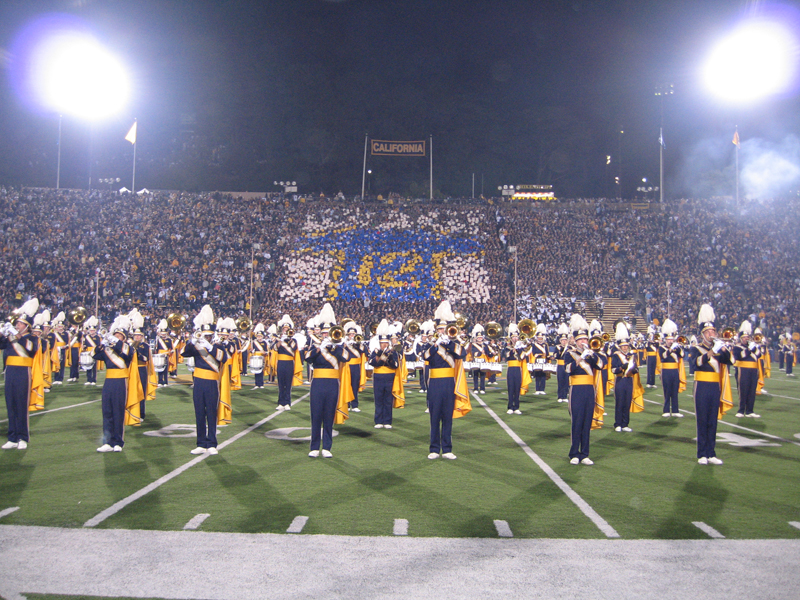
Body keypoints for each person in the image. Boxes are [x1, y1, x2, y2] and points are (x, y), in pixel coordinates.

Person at [421, 300, 469, 459]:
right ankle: (434, 449)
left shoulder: (453, 344)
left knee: (447, 416)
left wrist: (448, 344)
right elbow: (425, 357)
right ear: (436, 330)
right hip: (434, 383)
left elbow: (462, 354)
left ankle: (447, 449)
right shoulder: (432, 345)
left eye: (444, 329)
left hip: (449, 383)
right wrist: (436, 344)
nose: (442, 332)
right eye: (440, 329)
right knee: (434, 417)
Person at [182, 305, 229, 455]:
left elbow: (223, 358)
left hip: (211, 383)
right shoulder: (196, 346)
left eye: (209, 335)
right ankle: (201, 443)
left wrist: (210, 346)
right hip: (198, 382)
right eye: (205, 335)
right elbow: (185, 353)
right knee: (199, 413)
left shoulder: (217, 346)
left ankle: (212, 443)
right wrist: (192, 340)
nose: (206, 337)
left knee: (211, 413)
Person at [690, 304, 733, 465]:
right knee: (702, 419)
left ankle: (711, 452)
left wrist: (725, 348)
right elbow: (695, 365)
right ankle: (702, 453)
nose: (712, 334)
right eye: (708, 332)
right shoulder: (696, 348)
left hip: (715, 387)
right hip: (701, 386)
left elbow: (731, 361)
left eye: (713, 331)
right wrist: (711, 352)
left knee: (712, 420)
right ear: (702, 334)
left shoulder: (719, 349)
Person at [305, 304, 346, 458]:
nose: (326, 336)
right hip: (318, 383)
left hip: (332, 384)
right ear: (320, 333)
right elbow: (307, 359)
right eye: (323, 333)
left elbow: (346, 359)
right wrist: (319, 348)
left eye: (328, 333)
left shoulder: (337, 347)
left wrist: (335, 347)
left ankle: (327, 447)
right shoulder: (315, 346)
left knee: (329, 414)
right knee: (316, 414)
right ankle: (314, 446)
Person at [0, 298, 41, 450]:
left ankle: (22, 437)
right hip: (10, 371)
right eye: (16, 323)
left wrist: (17, 337)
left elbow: (31, 349)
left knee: (21, 404)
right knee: (10, 404)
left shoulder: (32, 338)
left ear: (27, 326)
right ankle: (12, 437)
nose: (17, 325)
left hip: (23, 372)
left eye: (20, 324)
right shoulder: (10, 337)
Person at [564, 313, 604, 465]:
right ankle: (574, 453)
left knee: (587, 422)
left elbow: (601, 365)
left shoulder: (592, 355)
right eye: (580, 340)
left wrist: (591, 355)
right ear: (575, 340)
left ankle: (585, 454)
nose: (583, 342)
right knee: (577, 422)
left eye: (585, 339)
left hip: (589, 390)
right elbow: (567, 370)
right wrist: (580, 358)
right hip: (576, 390)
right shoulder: (570, 354)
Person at [95, 315, 137, 452]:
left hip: (121, 382)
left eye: (120, 336)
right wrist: (102, 344)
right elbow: (94, 355)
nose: (117, 337)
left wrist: (115, 341)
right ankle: (107, 441)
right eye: (115, 335)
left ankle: (118, 441)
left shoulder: (127, 349)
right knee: (107, 411)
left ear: (124, 338)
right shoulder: (108, 350)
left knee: (118, 411)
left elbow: (128, 354)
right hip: (109, 381)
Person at [610, 322, 643, 432]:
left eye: (626, 346)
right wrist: (621, 367)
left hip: (629, 380)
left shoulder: (632, 356)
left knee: (627, 402)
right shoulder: (616, 355)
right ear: (620, 346)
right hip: (620, 380)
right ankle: (617, 424)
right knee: (620, 402)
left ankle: (625, 424)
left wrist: (634, 369)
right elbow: (613, 369)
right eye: (623, 346)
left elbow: (636, 368)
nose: (625, 348)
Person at [369, 319, 401, 429]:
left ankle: (387, 421)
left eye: (385, 343)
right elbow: (372, 363)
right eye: (382, 343)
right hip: (378, 376)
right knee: (378, 399)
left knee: (388, 399)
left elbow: (396, 365)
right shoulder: (375, 351)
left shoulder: (393, 352)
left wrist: (390, 357)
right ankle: (378, 420)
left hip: (389, 376)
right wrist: (379, 356)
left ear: (388, 343)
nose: (384, 345)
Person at [732, 320, 761, 418]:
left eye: (747, 337)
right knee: (743, 390)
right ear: (740, 339)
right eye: (744, 337)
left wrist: (755, 348)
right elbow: (740, 356)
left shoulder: (752, 347)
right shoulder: (737, 347)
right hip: (742, 370)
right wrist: (749, 349)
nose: (746, 339)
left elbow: (758, 355)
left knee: (752, 390)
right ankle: (741, 410)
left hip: (753, 371)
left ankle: (750, 410)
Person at [500, 324, 531, 414]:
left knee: (517, 388)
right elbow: (505, 356)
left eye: (516, 337)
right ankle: (510, 407)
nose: (515, 339)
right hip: (510, 369)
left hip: (518, 369)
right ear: (511, 339)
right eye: (513, 337)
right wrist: (511, 351)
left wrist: (522, 348)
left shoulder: (521, 349)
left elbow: (523, 357)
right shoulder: (507, 348)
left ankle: (516, 407)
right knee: (510, 388)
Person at [658, 319, 686, 418]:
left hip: (675, 371)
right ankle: (666, 410)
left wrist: (679, 348)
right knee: (667, 391)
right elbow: (663, 356)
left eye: (671, 339)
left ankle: (675, 410)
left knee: (674, 390)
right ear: (665, 340)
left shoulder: (676, 347)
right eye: (669, 339)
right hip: (665, 371)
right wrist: (671, 349)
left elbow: (682, 355)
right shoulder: (662, 348)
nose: (670, 341)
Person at [275, 314, 299, 410]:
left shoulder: (293, 340)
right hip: (281, 362)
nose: (286, 330)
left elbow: (294, 348)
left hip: (289, 363)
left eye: (287, 328)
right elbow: (275, 348)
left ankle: (287, 402)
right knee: (281, 383)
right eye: (284, 329)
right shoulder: (279, 339)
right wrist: (281, 339)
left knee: (288, 383)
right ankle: (281, 402)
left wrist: (289, 339)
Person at [344, 322, 366, 412]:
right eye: (350, 334)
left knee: (354, 385)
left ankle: (355, 405)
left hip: (356, 366)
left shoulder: (358, 343)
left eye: (353, 334)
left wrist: (358, 344)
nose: (352, 336)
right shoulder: (344, 343)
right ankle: (347, 404)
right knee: (347, 385)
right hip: (347, 366)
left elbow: (365, 352)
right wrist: (347, 345)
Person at [466, 324, 495, 394]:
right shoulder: (473, 345)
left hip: (483, 361)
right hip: (476, 361)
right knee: (475, 375)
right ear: (476, 338)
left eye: (481, 337)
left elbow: (488, 354)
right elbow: (473, 353)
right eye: (478, 337)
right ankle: (475, 388)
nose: (479, 338)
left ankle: (482, 388)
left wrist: (492, 354)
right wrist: (479, 352)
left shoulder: (485, 345)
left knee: (482, 376)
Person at [530, 323, 550, 395]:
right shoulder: (534, 344)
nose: (540, 339)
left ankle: (542, 389)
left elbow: (547, 353)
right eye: (538, 338)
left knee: (543, 376)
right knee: (537, 375)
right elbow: (533, 352)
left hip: (544, 361)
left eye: (541, 338)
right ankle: (537, 389)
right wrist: (538, 355)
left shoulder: (545, 345)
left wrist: (547, 357)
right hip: (537, 361)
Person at [81, 317, 101, 386]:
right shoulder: (87, 337)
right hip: (88, 353)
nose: (92, 331)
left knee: (94, 367)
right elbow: (85, 345)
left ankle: (94, 380)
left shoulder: (98, 337)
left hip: (94, 352)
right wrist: (84, 347)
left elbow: (98, 345)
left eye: (93, 330)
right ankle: (89, 380)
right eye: (91, 330)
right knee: (88, 366)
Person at [554, 323, 571, 403]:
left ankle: (565, 396)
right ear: (560, 341)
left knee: (566, 381)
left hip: (566, 365)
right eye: (562, 340)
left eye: (565, 340)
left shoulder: (570, 348)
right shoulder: (557, 347)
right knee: (560, 381)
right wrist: (560, 351)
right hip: (560, 365)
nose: (564, 342)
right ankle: (560, 396)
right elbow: (555, 356)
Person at [154, 320, 173, 387]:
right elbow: (156, 348)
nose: (163, 335)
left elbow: (171, 348)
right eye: (162, 333)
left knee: (165, 369)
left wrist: (170, 352)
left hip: (166, 355)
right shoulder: (158, 340)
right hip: (160, 355)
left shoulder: (169, 340)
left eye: (164, 333)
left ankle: (165, 382)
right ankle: (160, 381)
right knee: (160, 369)